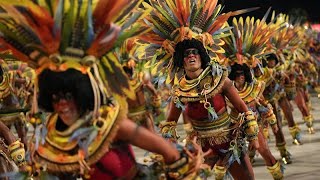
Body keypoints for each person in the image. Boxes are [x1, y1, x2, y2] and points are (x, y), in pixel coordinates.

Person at [0, 1, 201, 179]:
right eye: (56, 97)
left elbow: (170, 154)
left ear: (82, 93)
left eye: (69, 95)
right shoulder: (54, 137)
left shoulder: (110, 124)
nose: (62, 104)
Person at [228, 64, 283, 179]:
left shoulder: (254, 88)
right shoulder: (228, 91)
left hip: (254, 126)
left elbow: (263, 105)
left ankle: (278, 176)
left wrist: (273, 122)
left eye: (242, 74)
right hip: (236, 128)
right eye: (237, 74)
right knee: (231, 159)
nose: (240, 77)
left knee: (265, 152)